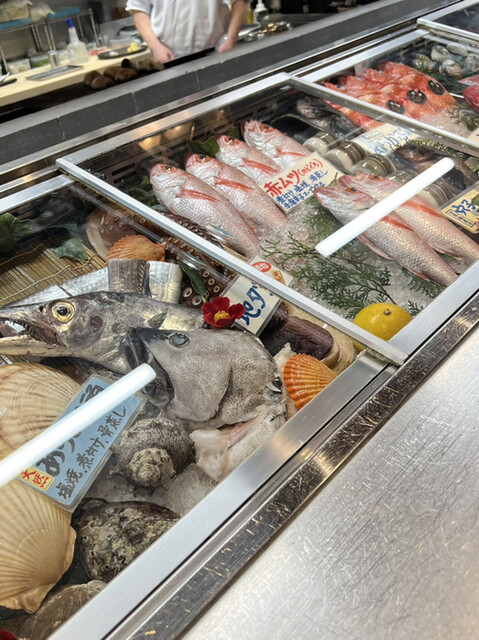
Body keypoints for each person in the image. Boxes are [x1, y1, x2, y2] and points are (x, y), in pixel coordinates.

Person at [125, 0, 249, 63]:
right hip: (169, 57)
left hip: (217, 52)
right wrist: (156, 46)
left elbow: (240, 1)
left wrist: (231, 39)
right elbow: (138, 9)